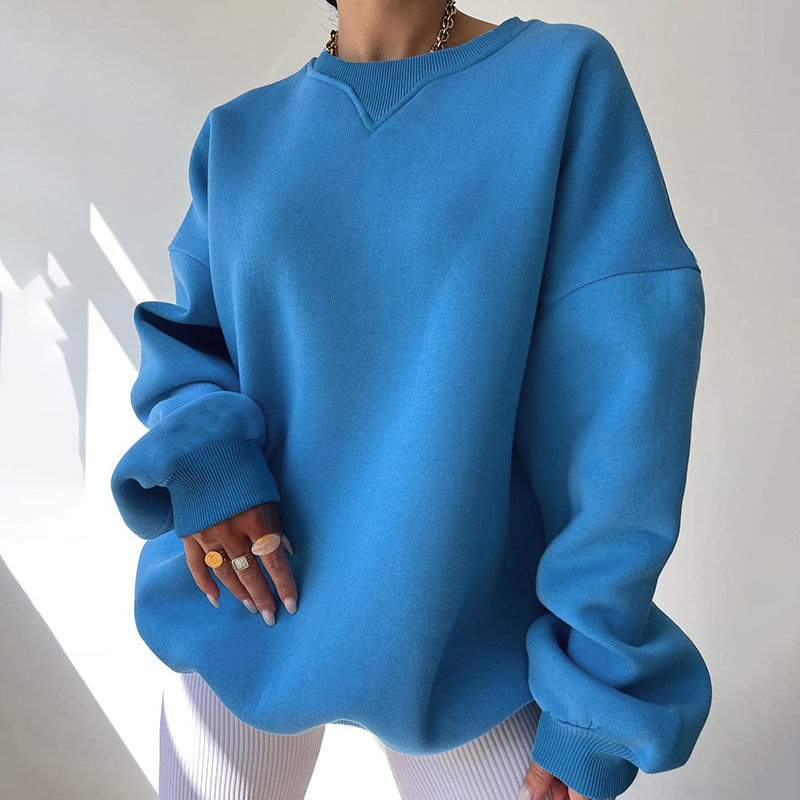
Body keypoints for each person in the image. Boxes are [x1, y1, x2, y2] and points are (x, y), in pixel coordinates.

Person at [109, 2, 713, 799]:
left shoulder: (559, 84)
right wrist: (210, 466)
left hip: (459, 648)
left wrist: (594, 701)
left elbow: (623, 411)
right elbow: (191, 343)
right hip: (241, 605)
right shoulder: (240, 136)